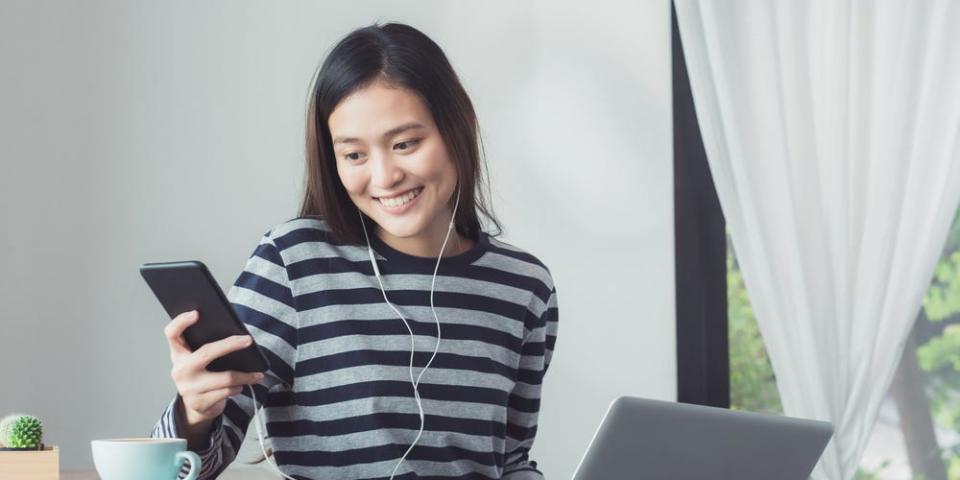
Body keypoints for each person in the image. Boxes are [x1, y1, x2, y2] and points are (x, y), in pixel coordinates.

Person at [151, 21, 559, 480]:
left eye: (405, 144)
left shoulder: (525, 287)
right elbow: (189, 469)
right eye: (355, 155)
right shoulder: (294, 263)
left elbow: (510, 461)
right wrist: (194, 413)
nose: (384, 177)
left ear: (456, 127)